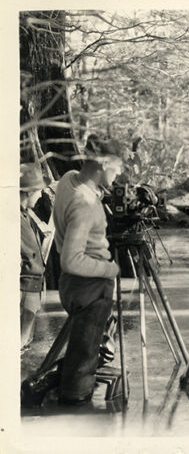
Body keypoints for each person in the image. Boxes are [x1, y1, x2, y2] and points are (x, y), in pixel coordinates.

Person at [52, 137, 123, 405]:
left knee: (82, 353)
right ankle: (77, 415)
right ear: (103, 164)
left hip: (72, 286)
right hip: (89, 287)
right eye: (116, 168)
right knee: (81, 369)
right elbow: (71, 260)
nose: (119, 174)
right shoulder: (85, 204)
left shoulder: (69, 179)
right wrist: (110, 269)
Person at [20, 163, 47, 350]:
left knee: (23, 343)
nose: (40, 196)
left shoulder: (25, 215)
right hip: (24, 289)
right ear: (28, 192)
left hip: (32, 287)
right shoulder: (14, 217)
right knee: (19, 343)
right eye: (38, 191)